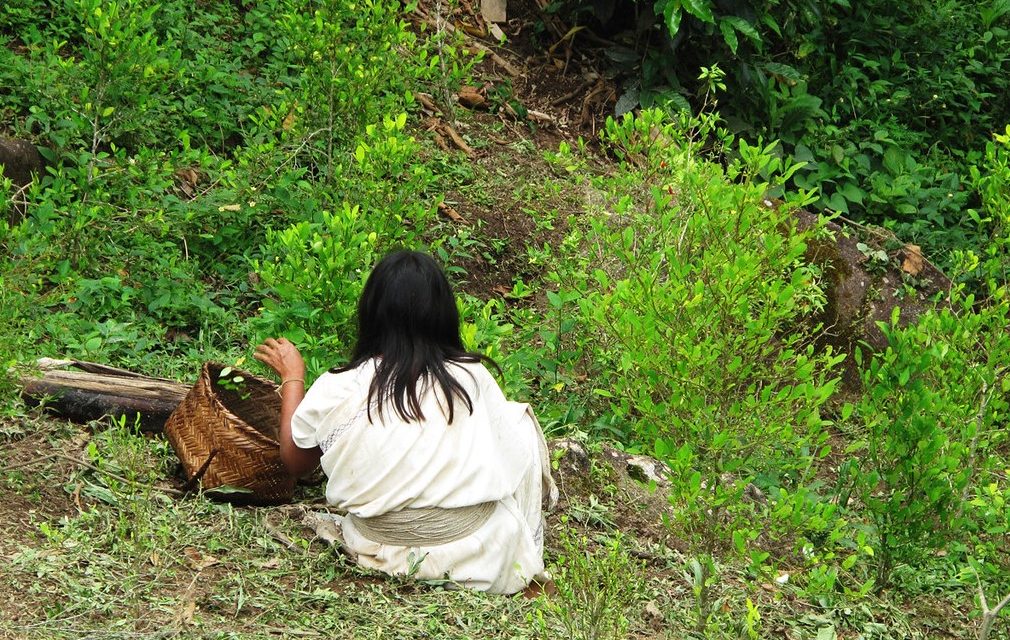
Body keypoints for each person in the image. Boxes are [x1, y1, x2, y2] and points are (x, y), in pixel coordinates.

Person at [254, 250, 557, 595]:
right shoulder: (471, 376)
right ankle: (519, 557)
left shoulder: (342, 384)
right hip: (479, 559)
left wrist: (294, 377)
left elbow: (296, 462)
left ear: (371, 313)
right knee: (518, 423)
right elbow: (509, 457)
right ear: (443, 316)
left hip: (381, 553)